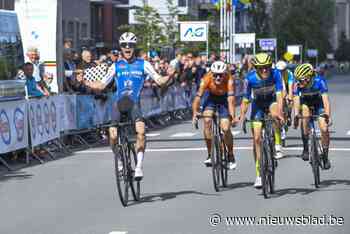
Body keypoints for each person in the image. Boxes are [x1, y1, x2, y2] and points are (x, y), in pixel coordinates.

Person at [86, 32, 174, 180]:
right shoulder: (116, 66)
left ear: (134, 47)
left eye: (131, 45)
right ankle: (120, 161)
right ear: (120, 47)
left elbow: (159, 81)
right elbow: (102, 85)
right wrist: (87, 83)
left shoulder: (143, 64)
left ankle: (138, 167)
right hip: (118, 103)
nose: (127, 48)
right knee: (112, 134)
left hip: (134, 103)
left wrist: (170, 75)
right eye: (124, 45)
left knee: (141, 132)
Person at [238, 53, 284, 188]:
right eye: (261, 67)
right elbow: (246, 99)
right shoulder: (250, 78)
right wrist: (242, 115)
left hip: (271, 101)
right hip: (257, 105)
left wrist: (281, 113)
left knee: (275, 114)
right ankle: (259, 174)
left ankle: (277, 144)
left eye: (267, 67)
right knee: (257, 138)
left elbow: (280, 95)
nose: (264, 70)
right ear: (256, 68)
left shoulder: (276, 74)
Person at [192, 61, 237, 170]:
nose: (218, 77)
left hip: (224, 99)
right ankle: (209, 154)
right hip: (211, 98)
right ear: (211, 73)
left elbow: (231, 100)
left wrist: (233, 116)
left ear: (225, 73)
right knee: (207, 121)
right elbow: (198, 97)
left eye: (220, 75)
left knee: (226, 128)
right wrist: (195, 112)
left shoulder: (229, 80)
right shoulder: (206, 79)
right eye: (215, 74)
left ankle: (230, 155)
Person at [292, 63, 331, 169]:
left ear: (309, 78)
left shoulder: (320, 81)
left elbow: (326, 100)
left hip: (319, 104)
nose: (298, 82)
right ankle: (305, 148)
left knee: (324, 128)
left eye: (301, 80)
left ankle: (325, 156)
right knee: (304, 114)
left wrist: (328, 116)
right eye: (297, 79)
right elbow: (296, 100)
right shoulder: (297, 85)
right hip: (305, 103)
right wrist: (296, 115)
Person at [276, 60, 295, 149]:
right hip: (279, 87)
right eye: (279, 70)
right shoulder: (275, 74)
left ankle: (289, 114)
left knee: (289, 99)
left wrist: (289, 97)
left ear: (285, 70)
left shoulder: (289, 74)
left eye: (282, 70)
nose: (280, 72)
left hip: (287, 85)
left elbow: (290, 89)